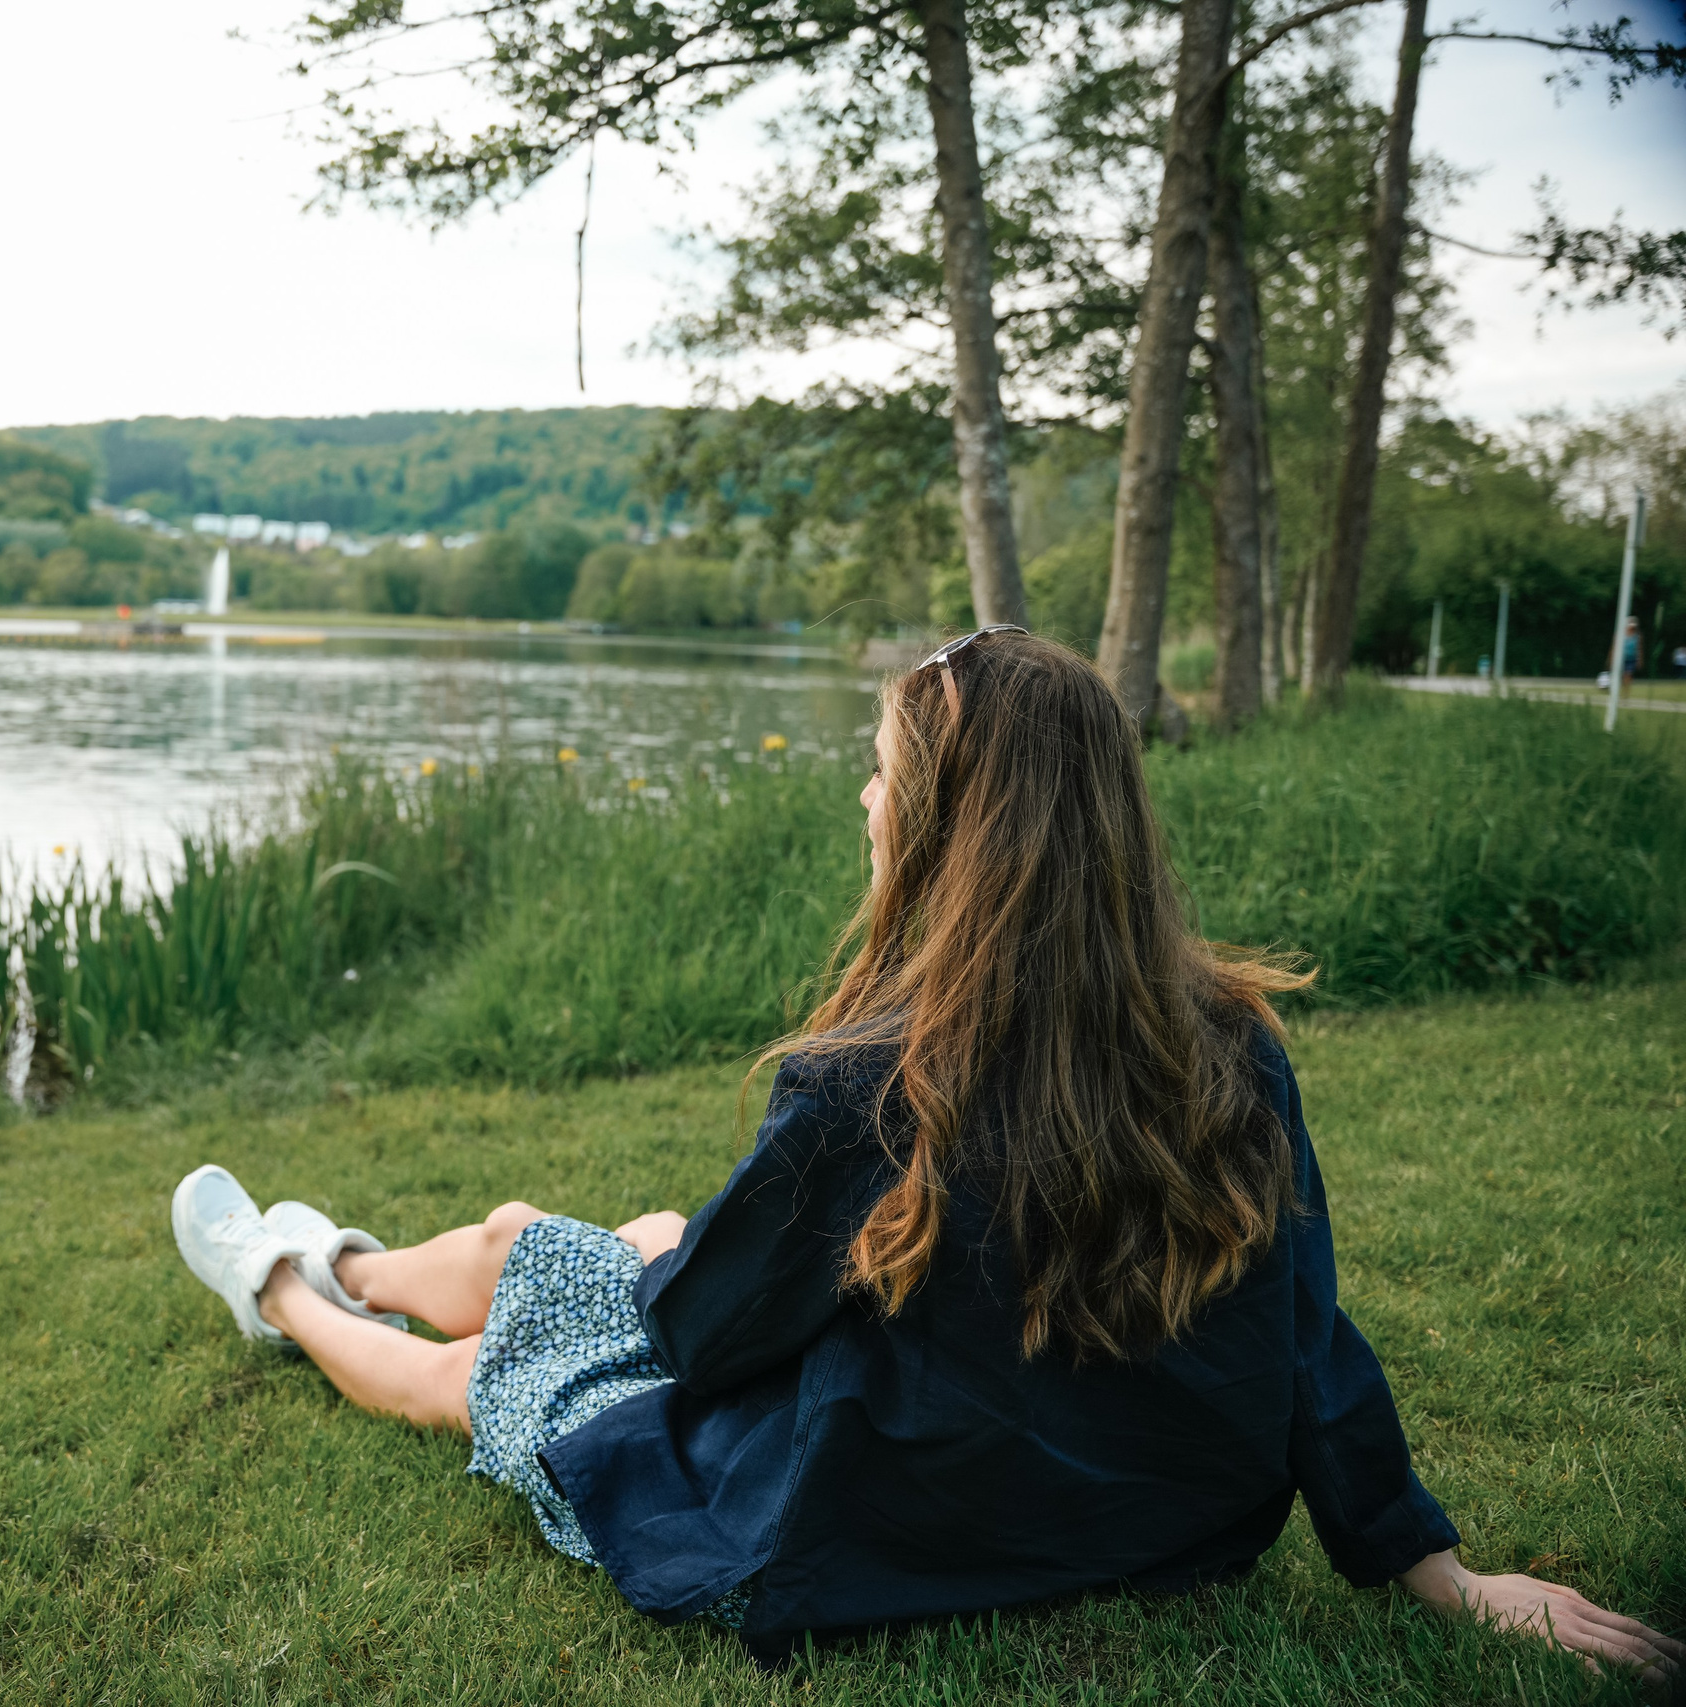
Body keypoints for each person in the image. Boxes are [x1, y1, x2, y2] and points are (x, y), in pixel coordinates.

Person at [169, 628, 1681, 1677]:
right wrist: (1432, 1566)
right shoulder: (1228, 1047)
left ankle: (285, 1282)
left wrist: (661, 1260)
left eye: (886, 772)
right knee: (586, 1240)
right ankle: (350, 1252)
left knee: (510, 1327)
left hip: (872, 1517)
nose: (866, 795)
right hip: (1162, 1528)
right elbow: (1306, 1333)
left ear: (956, 825)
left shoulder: (864, 1084)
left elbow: (707, 1342)